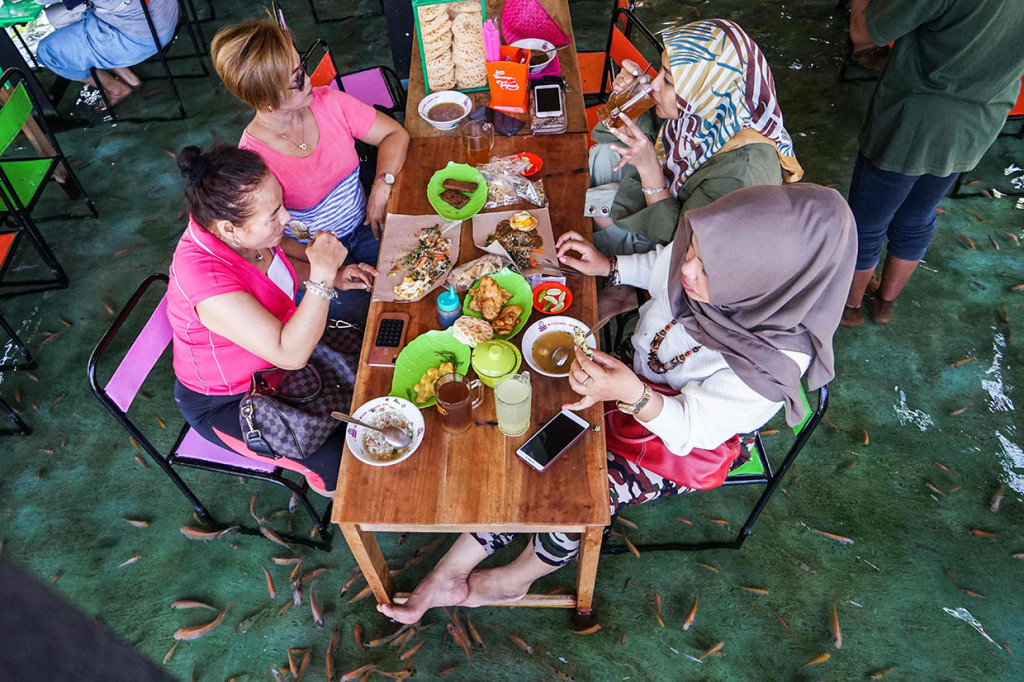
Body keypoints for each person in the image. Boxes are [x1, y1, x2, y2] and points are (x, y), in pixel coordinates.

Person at [379, 184, 857, 624]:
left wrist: (632, 393)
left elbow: (696, 428)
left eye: (708, 269)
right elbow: (664, 265)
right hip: (633, 375)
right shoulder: (713, 252)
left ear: (766, 283)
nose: (688, 269)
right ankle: (453, 567)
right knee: (533, 443)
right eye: (694, 249)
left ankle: (512, 579)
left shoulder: (774, 361)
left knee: (575, 496)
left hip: (679, 439)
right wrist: (608, 268)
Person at [167, 144, 376, 496]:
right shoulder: (205, 279)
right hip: (236, 399)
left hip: (284, 362)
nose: (287, 220)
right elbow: (289, 353)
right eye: (274, 215)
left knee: (376, 377)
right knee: (345, 468)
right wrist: (324, 275)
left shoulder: (245, 232)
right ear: (228, 229)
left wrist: (333, 277)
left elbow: (274, 266)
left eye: (280, 205)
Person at [211, 18, 409, 323]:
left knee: (413, 269)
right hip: (309, 256)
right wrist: (332, 269)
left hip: (363, 226)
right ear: (265, 100)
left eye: (301, 67)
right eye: (296, 79)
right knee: (369, 312)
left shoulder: (328, 102)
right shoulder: (253, 162)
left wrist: (382, 186)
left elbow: (395, 134)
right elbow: (268, 244)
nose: (308, 80)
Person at [840, 0, 1024, 327]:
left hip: (914, 116)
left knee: (867, 221)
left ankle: (850, 308)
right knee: (917, 216)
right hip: (979, 121)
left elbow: (864, 34)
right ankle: (884, 304)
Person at [587, 19, 803, 259]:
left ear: (705, 87)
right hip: (668, 202)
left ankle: (618, 281)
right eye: (661, 71)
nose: (654, 84)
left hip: (687, 256)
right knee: (605, 154)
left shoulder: (740, 173)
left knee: (600, 204)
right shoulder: (708, 109)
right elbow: (613, 135)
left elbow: (687, 243)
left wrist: (649, 168)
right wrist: (628, 104)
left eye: (667, 80)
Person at [36, 0, 178, 108]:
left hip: (140, 37)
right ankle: (127, 75)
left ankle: (117, 89)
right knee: (56, 17)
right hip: (162, 14)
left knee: (48, 52)